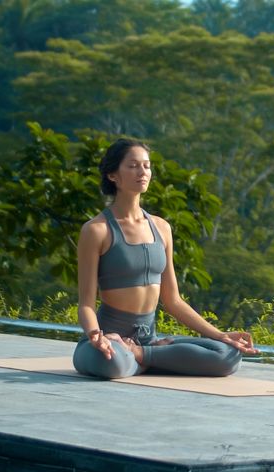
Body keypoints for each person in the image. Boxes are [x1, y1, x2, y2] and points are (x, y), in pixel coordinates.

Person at [72, 138, 258, 379]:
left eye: (147, 166)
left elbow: (173, 300)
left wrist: (220, 335)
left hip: (148, 340)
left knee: (228, 355)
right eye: (133, 166)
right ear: (113, 175)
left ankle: (141, 355)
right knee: (111, 363)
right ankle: (147, 358)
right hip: (109, 340)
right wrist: (96, 335)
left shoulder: (161, 227)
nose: (142, 172)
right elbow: (86, 304)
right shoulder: (97, 230)